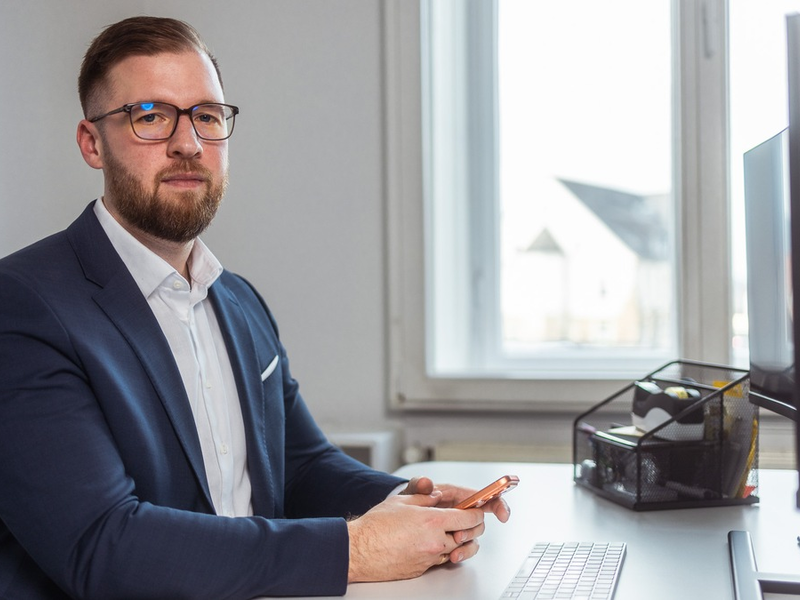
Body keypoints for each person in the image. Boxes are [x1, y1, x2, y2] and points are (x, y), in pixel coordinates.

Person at [0, 15, 510, 600]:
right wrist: (357, 549)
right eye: (151, 117)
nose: (188, 143)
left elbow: (297, 465)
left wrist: (407, 502)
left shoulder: (238, 300)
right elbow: (100, 545)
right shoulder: (23, 304)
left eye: (207, 117)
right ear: (93, 143)